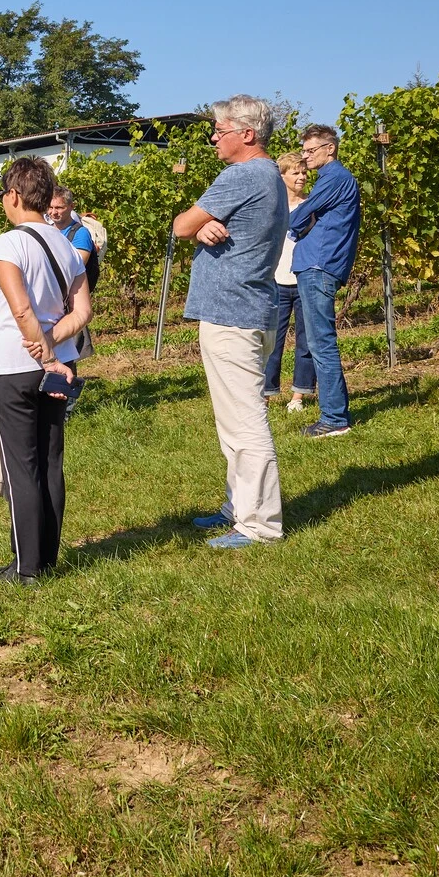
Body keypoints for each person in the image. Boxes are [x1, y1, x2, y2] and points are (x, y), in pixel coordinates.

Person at [176, 95, 289, 550]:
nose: (213, 138)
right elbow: (203, 226)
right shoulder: (270, 176)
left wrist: (196, 224)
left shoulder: (243, 174)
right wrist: (206, 225)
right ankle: (236, 507)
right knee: (233, 420)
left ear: (247, 134)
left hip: (232, 313)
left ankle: (259, 524)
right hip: (251, 307)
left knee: (245, 422)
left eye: (219, 131)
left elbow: (181, 225)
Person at [0, 160, 94, 582]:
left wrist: (42, 350)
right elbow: (82, 310)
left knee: (20, 467)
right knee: (50, 461)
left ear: (12, 196)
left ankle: (25, 568)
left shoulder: (7, 245)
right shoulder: (66, 243)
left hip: (14, 366)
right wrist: (52, 342)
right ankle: (46, 559)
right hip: (58, 367)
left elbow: (20, 307)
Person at [288, 124, 362, 437]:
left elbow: (298, 216)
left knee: (321, 342)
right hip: (316, 263)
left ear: (329, 148)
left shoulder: (334, 178)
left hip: (319, 263)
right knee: (319, 340)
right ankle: (333, 415)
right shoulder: (331, 179)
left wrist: (298, 222)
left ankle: (334, 419)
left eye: (310, 150)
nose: (305, 158)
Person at [264, 154, 317, 411]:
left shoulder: (313, 206)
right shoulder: (272, 206)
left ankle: (299, 395)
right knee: (272, 341)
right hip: (275, 280)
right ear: (282, 176)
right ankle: (266, 393)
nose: (302, 177)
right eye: (295, 172)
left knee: (306, 341)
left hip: (305, 280)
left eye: (304, 172)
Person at [46, 188, 94, 268]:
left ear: (72, 206)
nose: (53, 212)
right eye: (50, 207)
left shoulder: (81, 234)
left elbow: (76, 268)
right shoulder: (46, 230)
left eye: (59, 208)